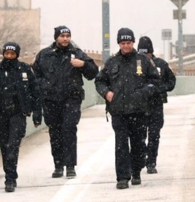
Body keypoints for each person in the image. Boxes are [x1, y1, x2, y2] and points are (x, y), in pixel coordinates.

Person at [95, 28, 160, 189]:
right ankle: (122, 177)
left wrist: (144, 92)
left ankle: (136, 170)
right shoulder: (111, 62)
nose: (126, 46)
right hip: (119, 111)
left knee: (138, 144)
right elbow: (100, 81)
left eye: (128, 43)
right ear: (119, 43)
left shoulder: (143, 60)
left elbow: (155, 81)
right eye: (123, 43)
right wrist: (106, 93)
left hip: (139, 110)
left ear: (133, 43)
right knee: (121, 144)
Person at [33, 26, 98, 179]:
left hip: (71, 99)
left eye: (68, 36)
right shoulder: (45, 55)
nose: (65, 39)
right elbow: (35, 76)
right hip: (51, 100)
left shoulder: (76, 53)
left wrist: (83, 65)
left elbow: (93, 72)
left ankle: (70, 166)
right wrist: (45, 85)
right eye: (62, 36)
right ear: (56, 37)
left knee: (69, 130)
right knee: (54, 133)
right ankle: (58, 165)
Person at [0, 42, 42, 192]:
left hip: (18, 113)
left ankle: (10, 178)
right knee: (4, 145)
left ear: (17, 55)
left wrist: (37, 115)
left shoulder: (24, 70)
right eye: (7, 54)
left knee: (13, 145)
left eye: (12, 54)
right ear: (3, 54)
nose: (9, 57)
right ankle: (9, 172)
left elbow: (35, 93)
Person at [137, 36, 176, 174]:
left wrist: (160, 89)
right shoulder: (135, 64)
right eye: (141, 53)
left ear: (151, 52)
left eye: (146, 53)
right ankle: (141, 159)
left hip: (156, 105)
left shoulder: (161, 64)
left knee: (154, 134)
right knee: (139, 135)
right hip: (139, 106)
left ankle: (151, 162)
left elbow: (172, 82)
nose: (144, 57)